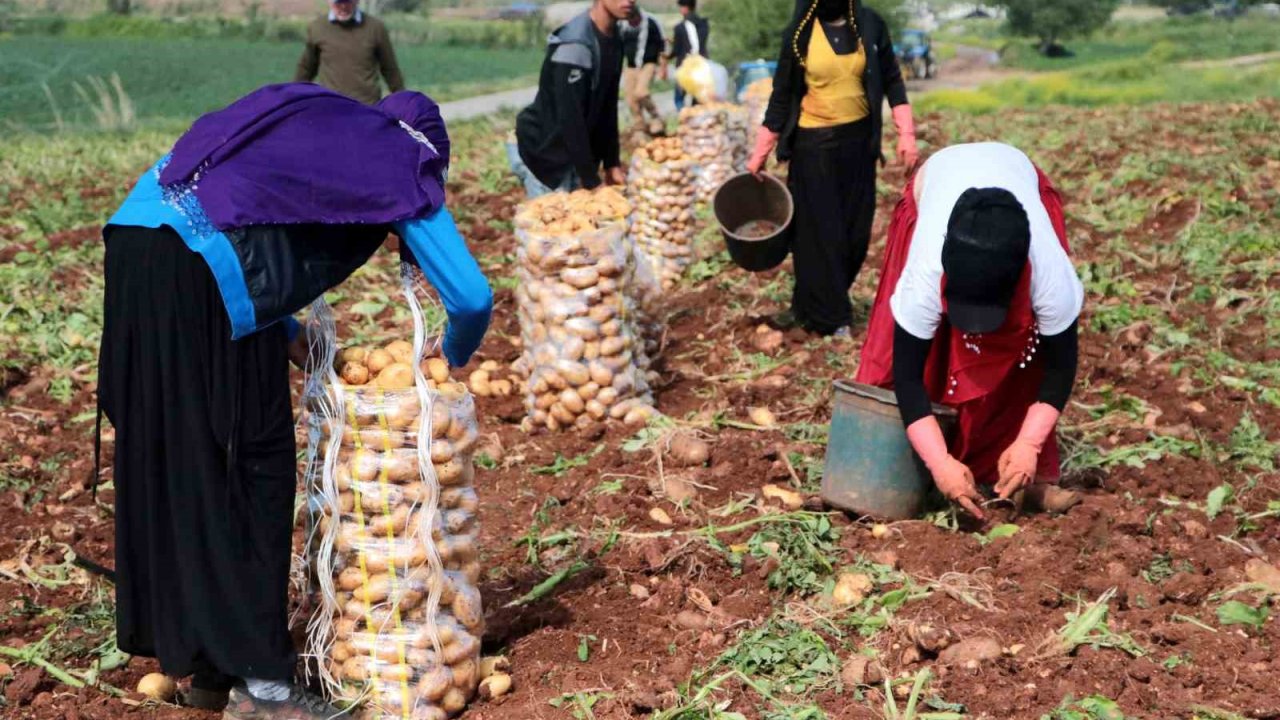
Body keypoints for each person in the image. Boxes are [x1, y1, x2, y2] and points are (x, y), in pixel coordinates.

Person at [97, 84, 492, 720]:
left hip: (136, 253)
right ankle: (265, 688)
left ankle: (210, 669)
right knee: (252, 467)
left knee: (190, 463)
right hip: (200, 270)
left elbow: (242, 231)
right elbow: (472, 298)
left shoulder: (318, 137)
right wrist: (444, 359)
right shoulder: (402, 159)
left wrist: (294, 339)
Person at [855, 142, 1085, 521]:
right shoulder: (926, 271)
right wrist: (939, 461)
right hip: (937, 179)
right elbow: (907, 377)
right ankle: (932, 469)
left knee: (1024, 363)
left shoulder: (1050, 275)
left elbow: (1060, 366)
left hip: (1015, 175)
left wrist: (1029, 442)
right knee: (910, 361)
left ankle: (1011, 473)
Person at [747, 0, 917, 339]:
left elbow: (893, 81)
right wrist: (760, 153)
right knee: (822, 237)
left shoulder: (870, 24)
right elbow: (781, 96)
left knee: (856, 234)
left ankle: (811, 304)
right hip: (814, 148)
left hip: (859, 146)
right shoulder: (799, 32)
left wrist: (906, 135)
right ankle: (832, 317)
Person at [510, 0, 633, 198]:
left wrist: (612, 163)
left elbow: (608, 106)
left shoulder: (614, 39)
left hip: (573, 154)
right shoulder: (575, 44)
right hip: (545, 155)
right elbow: (569, 117)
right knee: (554, 225)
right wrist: (591, 180)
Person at [295, 0, 405, 105]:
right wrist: (293, 98)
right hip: (330, 106)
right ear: (329, 1)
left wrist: (403, 101)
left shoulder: (376, 28)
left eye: (347, 2)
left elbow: (390, 70)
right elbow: (306, 68)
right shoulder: (317, 28)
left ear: (357, 1)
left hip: (367, 108)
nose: (343, 7)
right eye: (338, 2)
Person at [619, 4, 667, 133]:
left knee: (641, 92)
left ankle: (656, 117)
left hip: (648, 63)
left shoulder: (651, 22)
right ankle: (640, 126)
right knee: (630, 99)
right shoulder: (623, 26)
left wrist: (663, 67)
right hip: (630, 65)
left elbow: (662, 45)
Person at [668, 0, 709, 110]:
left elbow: (677, 50)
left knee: (679, 98)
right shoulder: (704, 24)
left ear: (684, 8)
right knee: (698, 98)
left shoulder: (680, 27)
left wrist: (667, 56)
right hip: (702, 65)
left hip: (685, 66)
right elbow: (696, 42)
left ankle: (684, 118)